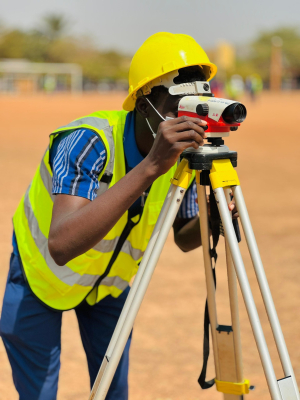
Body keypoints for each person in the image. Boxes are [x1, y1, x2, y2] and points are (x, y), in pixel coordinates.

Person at [0, 32, 234, 400]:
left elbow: (185, 238)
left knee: (113, 391)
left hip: (110, 289)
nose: (191, 121)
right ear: (144, 107)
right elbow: (62, 244)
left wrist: (217, 220)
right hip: (42, 279)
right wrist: (152, 166)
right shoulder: (88, 139)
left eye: (198, 108)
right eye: (180, 108)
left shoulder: (185, 154)